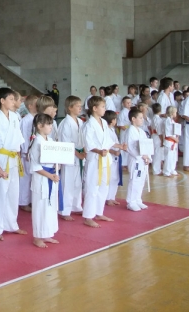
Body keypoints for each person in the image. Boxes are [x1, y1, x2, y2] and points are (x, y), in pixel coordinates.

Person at [0, 87, 26, 241]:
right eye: (10, 99)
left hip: (13, 158)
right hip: (1, 157)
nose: (13, 101)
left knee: (13, 193)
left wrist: (19, 156)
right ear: (2, 101)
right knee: (0, 193)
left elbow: (18, 139)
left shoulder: (15, 117)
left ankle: (11, 224)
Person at [82, 96, 119, 228]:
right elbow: (88, 143)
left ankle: (99, 212)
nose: (104, 109)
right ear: (94, 108)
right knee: (92, 188)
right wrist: (99, 151)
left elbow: (108, 140)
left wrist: (119, 146)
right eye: (102, 107)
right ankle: (88, 217)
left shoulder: (103, 122)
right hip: (94, 159)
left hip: (105, 159)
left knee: (104, 186)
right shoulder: (88, 125)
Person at [28, 113, 60, 248]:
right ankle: (37, 237)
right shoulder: (36, 142)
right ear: (40, 126)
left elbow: (56, 158)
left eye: (51, 124)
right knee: (40, 208)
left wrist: (57, 167)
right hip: (41, 178)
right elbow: (35, 166)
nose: (51, 127)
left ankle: (47, 233)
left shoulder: (50, 141)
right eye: (48, 124)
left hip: (51, 175)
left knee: (50, 207)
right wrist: (50, 176)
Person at [56, 96, 85, 221]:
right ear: (70, 108)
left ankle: (76, 205)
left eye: (80, 106)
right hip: (69, 156)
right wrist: (78, 154)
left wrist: (83, 151)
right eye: (77, 106)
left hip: (79, 155)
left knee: (78, 183)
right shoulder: (65, 123)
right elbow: (65, 143)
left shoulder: (80, 122)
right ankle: (65, 210)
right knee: (67, 183)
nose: (80, 108)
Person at [125, 108, 151, 212]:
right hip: (135, 159)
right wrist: (141, 156)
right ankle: (131, 202)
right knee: (135, 180)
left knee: (141, 180)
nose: (142, 119)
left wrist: (148, 156)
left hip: (143, 160)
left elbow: (147, 145)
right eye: (140, 118)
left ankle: (138, 199)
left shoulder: (141, 131)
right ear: (133, 119)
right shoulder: (130, 131)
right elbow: (130, 147)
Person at [18, 94, 38, 213]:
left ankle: (30, 200)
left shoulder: (37, 118)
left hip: (34, 152)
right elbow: (24, 137)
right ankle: (23, 202)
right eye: (36, 104)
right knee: (25, 178)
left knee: (32, 178)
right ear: (30, 106)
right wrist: (25, 151)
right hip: (26, 153)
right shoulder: (25, 120)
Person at [162, 106, 179, 177]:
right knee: (168, 157)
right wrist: (175, 139)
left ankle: (172, 169)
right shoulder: (167, 121)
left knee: (173, 157)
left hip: (173, 141)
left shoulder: (172, 121)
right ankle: (166, 171)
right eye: (175, 112)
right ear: (172, 113)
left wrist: (177, 137)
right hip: (169, 142)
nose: (176, 114)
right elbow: (168, 134)